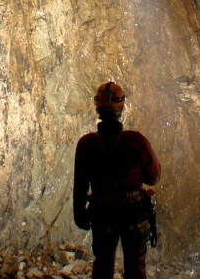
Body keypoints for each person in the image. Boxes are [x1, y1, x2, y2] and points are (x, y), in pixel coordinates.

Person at [73, 81, 161, 279]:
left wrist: (80, 215)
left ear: (98, 109)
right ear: (121, 108)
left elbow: (79, 186)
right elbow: (153, 177)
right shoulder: (136, 141)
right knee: (136, 269)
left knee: (103, 267)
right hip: (134, 215)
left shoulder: (87, 144)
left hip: (103, 215)